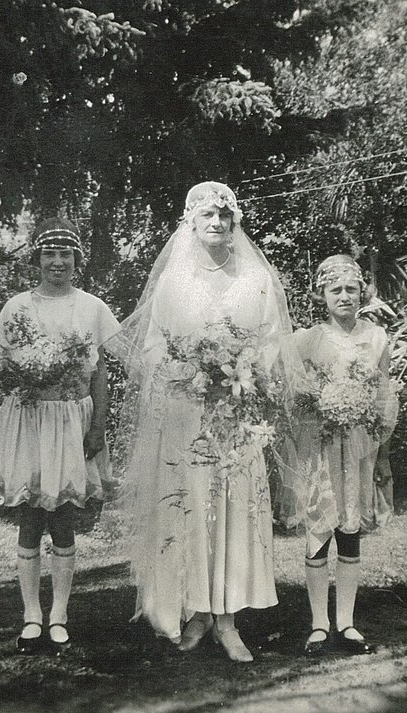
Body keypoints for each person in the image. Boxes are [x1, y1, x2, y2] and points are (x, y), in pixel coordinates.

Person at [108, 182, 292, 662]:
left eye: (224, 216)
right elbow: (152, 347)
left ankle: (228, 619)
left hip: (236, 414)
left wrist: (249, 367)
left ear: (235, 224)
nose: (216, 223)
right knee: (188, 505)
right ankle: (195, 612)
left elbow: (273, 342)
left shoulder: (255, 280)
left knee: (232, 508)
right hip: (186, 414)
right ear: (190, 222)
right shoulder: (175, 282)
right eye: (206, 215)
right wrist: (185, 370)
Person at [0, 217, 120, 655]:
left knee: (64, 517)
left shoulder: (92, 307)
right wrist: (26, 371)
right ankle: (30, 616)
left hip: (72, 421)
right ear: (37, 259)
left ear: (77, 260)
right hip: (29, 418)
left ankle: (59, 615)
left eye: (66, 254)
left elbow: (100, 373)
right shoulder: (17, 307)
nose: (57, 262)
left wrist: (98, 424)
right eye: (50, 253)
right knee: (29, 516)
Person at [280, 255, 398, 656]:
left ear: (361, 292)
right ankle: (318, 624)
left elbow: (384, 400)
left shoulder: (376, 338)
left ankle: (346, 621)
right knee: (319, 527)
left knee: (350, 529)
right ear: (321, 295)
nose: (345, 297)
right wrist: (321, 405)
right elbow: (294, 397)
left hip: (360, 448)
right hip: (321, 446)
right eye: (336, 290)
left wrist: (381, 455)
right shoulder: (307, 339)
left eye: (351, 289)